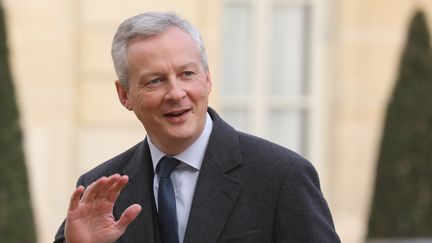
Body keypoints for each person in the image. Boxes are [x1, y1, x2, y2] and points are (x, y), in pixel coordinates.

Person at [54, 11, 340, 243]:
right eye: (155, 80)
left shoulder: (281, 176)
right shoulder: (98, 191)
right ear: (124, 95)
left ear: (207, 78)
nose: (176, 93)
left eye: (187, 74)